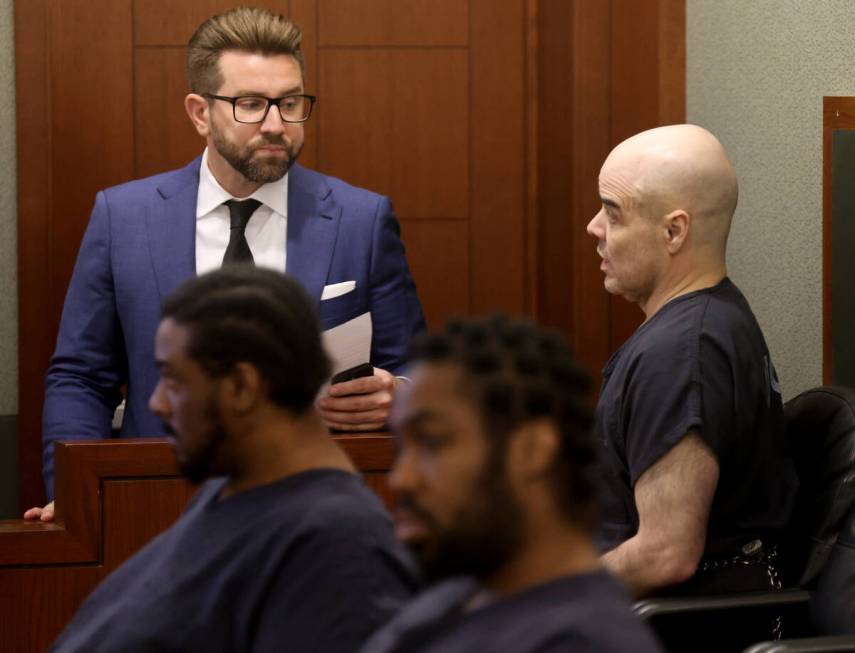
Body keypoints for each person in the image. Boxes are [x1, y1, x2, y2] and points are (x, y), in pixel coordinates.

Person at [27, 6, 424, 521]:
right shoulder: (122, 217)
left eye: (290, 103)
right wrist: (75, 497)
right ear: (199, 112)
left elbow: (418, 369)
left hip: (316, 511)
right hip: (155, 503)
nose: (276, 125)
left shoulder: (361, 219)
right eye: (252, 105)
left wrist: (400, 396)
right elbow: (81, 376)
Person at [50, 266, 419, 652]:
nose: (155, 403)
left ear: (242, 387)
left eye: (174, 381)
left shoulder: (339, 546)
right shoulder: (232, 492)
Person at [360, 315, 664, 653]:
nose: (401, 478)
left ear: (532, 450)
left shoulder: (583, 641)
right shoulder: (462, 593)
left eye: (431, 442)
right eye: (402, 449)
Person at [586, 124, 798, 596]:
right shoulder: (715, 316)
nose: (594, 228)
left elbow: (665, 554)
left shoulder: (682, 356)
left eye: (614, 213)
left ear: (673, 231)